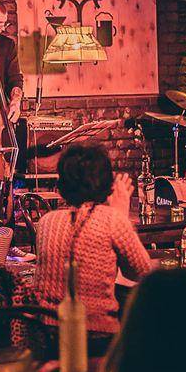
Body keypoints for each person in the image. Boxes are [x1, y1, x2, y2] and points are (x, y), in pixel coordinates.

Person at [33, 143, 152, 345]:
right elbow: (141, 271)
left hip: (47, 333)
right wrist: (121, 213)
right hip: (96, 334)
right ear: (106, 182)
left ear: (62, 184)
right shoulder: (112, 219)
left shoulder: (46, 222)